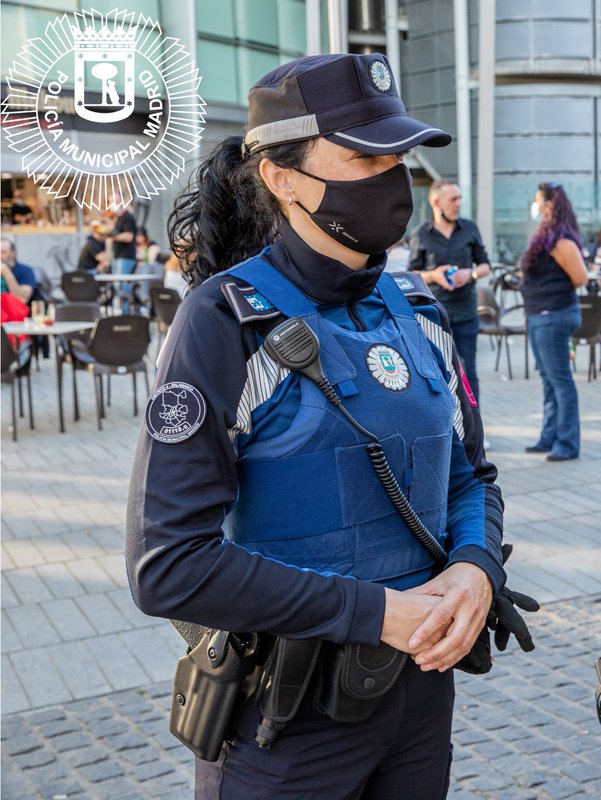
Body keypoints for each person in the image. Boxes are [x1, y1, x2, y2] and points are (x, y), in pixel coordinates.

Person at [127, 54, 519, 799]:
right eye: (364, 156)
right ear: (283, 177)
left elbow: (472, 477)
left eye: (399, 156)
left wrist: (475, 566)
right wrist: (375, 613)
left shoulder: (418, 312)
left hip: (419, 700)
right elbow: (167, 564)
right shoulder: (221, 322)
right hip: (286, 722)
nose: (391, 177)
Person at [520, 182, 587, 462]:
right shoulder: (547, 236)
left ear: (550, 205)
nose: (535, 206)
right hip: (539, 315)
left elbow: (581, 277)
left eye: (538, 201)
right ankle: (549, 437)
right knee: (549, 380)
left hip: (554, 315)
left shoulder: (561, 239)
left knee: (560, 382)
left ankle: (567, 443)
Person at [410, 179, 492, 402]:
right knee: (438, 371)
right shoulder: (421, 234)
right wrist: (433, 275)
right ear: (437, 202)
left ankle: (474, 429)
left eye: (460, 199)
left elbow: (486, 265)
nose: (458, 204)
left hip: (466, 312)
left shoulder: (470, 228)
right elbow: (412, 274)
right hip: (433, 315)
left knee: (469, 372)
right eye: (453, 199)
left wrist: (470, 274)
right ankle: (448, 427)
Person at [107, 194, 138, 312]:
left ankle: (126, 313)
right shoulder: (117, 219)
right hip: (117, 256)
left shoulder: (128, 218)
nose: (112, 204)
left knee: (123, 286)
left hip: (125, 257)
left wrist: (113, 236)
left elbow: (129, 237)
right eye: (110, 201)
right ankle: (121, 311)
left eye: (115, 201)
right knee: (117, 286)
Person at [0, 239, 39, 305]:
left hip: (17, 313)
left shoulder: (25, 271)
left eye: (3, 252)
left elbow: (22, 298)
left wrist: (6, 272)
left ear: (13, 253)